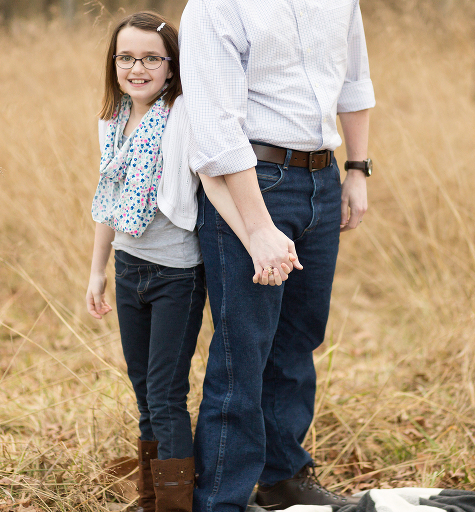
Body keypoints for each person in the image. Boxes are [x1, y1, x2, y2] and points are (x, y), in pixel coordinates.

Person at [85, 12, 293, 512]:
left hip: (174, 274)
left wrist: (254, 238)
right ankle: (151, 496)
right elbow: (106, 200)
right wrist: (97, 271)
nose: (138, 68)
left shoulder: (181, 115)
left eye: (151, 58)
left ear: (173, 67)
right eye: (127, 58)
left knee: (164, 392)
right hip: (129, 265)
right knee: (143, 391)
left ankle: (176, 505)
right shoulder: (111, 121)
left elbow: (213, 182)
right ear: (114, 64)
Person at [178, 1, 376, 511]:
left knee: (299, 336)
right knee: (243, 346)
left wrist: (356, 169)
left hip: (322, 177)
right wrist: (257, 225)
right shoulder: (216, 8)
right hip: (252, 179)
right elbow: (215, 126)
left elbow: (353, 81)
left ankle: (284, 477)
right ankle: (221, 498)